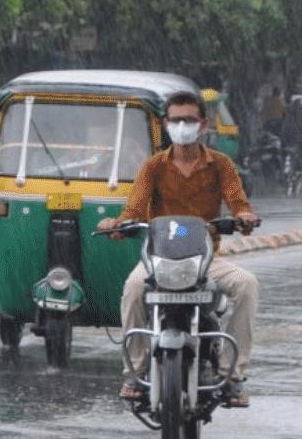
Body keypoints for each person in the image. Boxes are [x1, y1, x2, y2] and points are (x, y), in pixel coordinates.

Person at [96, 91, 260, 408]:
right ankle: (135, 372)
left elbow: (239, 204)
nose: (182, 125)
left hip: (205, 261)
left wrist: (244, 218)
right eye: (176, 120)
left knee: (247, 285)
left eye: (189, 120)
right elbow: (133, 211)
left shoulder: (221, 165)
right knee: (132, 289)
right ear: (165, 124)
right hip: (159, 260)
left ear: (202, 125)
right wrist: (116, 226)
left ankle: (232, 376)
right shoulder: (153, 167)